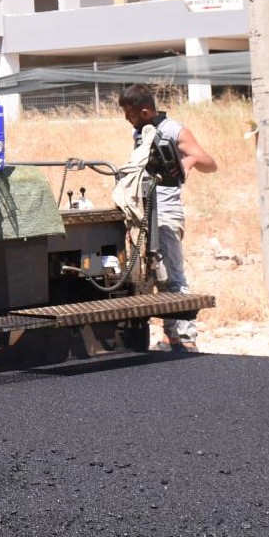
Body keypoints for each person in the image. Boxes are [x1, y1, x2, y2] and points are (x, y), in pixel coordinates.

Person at [116, 83, 217, 351]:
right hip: (144, 215)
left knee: (173, 277)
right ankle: (169, 337)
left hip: (167, 215)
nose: (128, 119)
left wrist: (187, 163)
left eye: (131, 114)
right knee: (149, 278)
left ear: (146, 111)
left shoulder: (173, 130)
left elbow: (209, 162)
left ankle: (185, 338)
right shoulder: (141, 133)